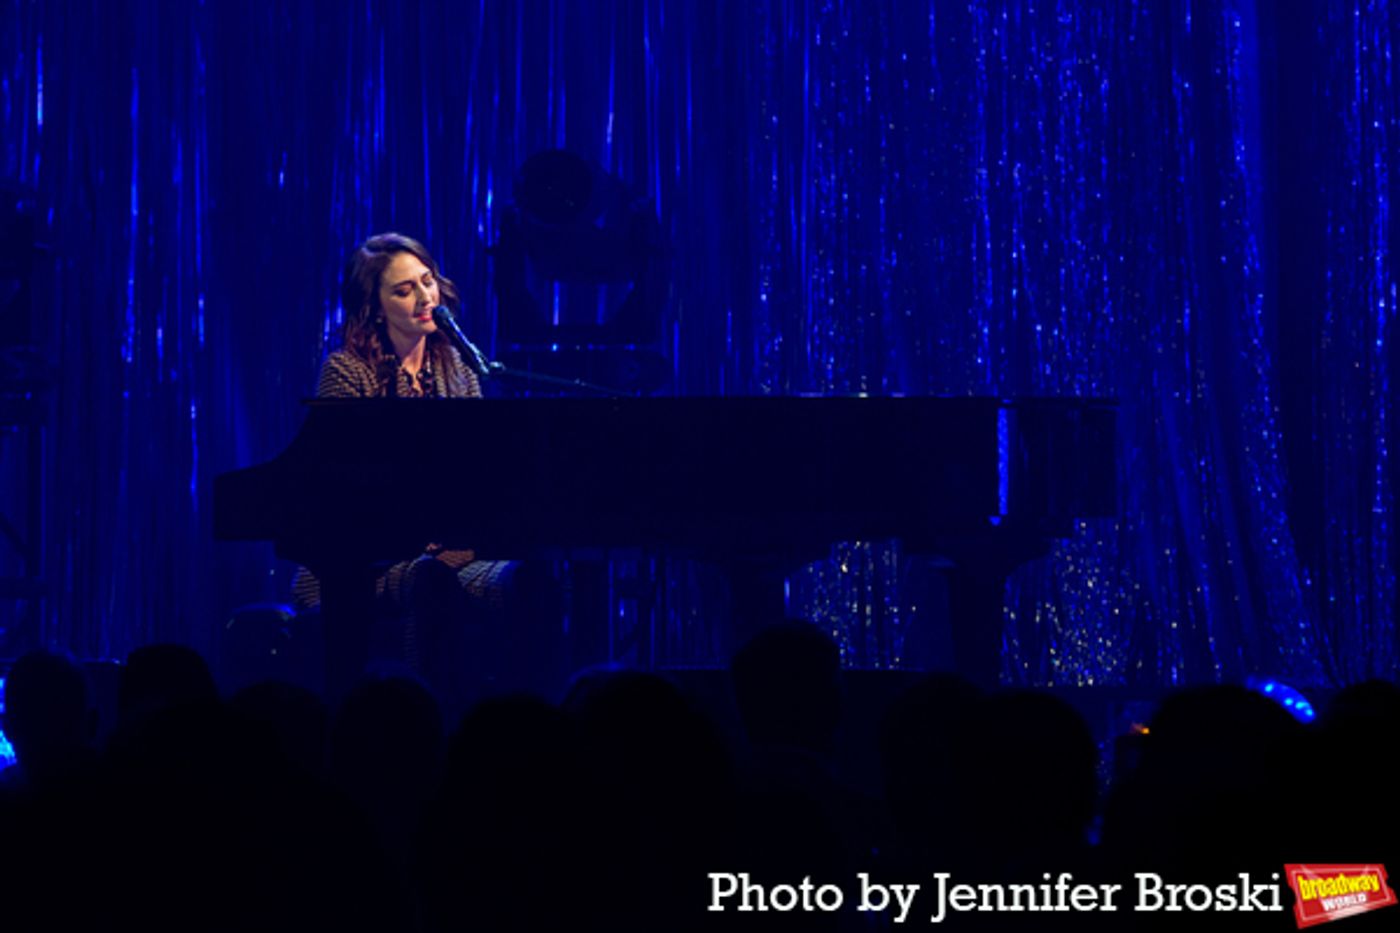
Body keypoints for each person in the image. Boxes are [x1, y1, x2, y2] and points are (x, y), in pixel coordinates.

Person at [292, 233, 512, 699]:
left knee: (529, 579)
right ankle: (426, 722)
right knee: (429, 578)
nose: (424, 297)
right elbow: (338, 490)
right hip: (365, 562)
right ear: (374, 307)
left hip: (452, 550)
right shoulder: (347, 372)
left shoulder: (459, 369)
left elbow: (479, 474)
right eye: (403, 290)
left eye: (427, 282)